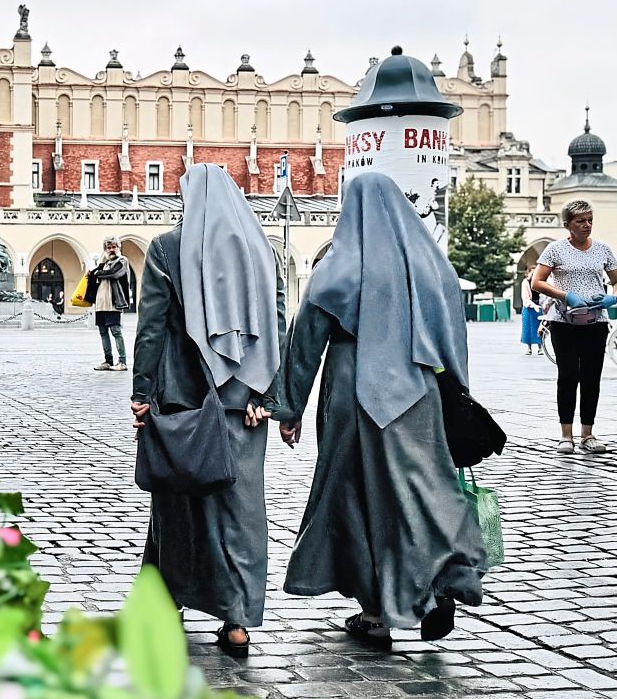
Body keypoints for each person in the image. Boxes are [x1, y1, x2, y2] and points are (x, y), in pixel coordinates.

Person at [278, 172, 485, 644]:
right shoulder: (430, 264)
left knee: (355, 499)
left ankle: (374, 613)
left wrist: (289, 406)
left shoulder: (340, 264)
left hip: (355, 392)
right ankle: (438, 583)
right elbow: (453, 335)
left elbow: (306, 339)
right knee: (422, 491)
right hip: (418, 392)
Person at [131, 164, 284, 657]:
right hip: (246, 405)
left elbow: (152, 327)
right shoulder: (263, 249)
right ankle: (237, 622)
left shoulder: (166, 248)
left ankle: (167, 603)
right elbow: (278, 323)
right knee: (241, 513)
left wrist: (141, 392)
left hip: (184, 402)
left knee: (178, 509)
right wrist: (269, 394)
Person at [532, 199, 617, 454]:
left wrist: (613, 296)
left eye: (590, 220)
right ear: (567, 224)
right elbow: (537, 282)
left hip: (595, 321)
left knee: (592, 378)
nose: (587, 225)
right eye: (581, 221)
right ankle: (566, 435)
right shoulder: (555, 250)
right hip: (564, 322)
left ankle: (587, 434)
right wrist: (565, 295)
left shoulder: (603, 250)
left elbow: (616, 280)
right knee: (568, 375)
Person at [90, 236, 131, 371]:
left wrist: (97, 273)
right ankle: (108, 360)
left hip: (113, 302)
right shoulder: (104, 263)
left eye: (114, 247)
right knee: (103, 331)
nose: (111, 250)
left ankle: (122, 361)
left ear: (118, 247)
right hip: (101, 303)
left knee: (116, 331)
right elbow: (94, 274)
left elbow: (114, 273)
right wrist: (95, 273)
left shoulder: (122, 260)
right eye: (109, 247)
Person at [519, 268, 543, 356]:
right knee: (528, 328)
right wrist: (533, 305)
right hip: (529, 307)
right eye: (532, 273)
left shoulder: (539, 281)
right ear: (528, 273)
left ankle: (540, 348)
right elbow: (525, 298)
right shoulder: (525, 283)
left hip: (539, 307)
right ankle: (529, 348)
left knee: (539, 328)